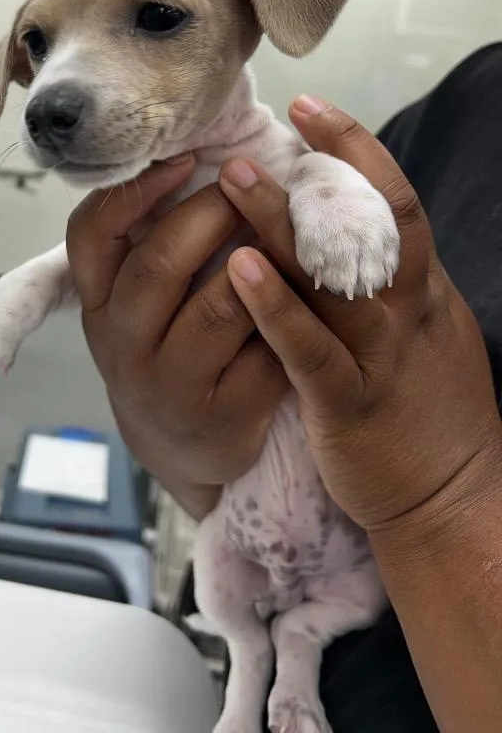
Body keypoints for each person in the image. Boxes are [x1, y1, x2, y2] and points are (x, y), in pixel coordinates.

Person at [66, 41, 502, 733]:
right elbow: (315, 377)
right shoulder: (475, 95)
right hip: (296, 655)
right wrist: (189, 445)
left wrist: (438, 497)